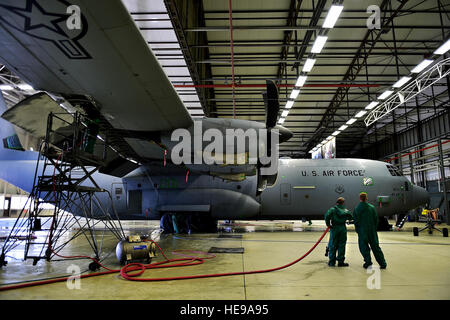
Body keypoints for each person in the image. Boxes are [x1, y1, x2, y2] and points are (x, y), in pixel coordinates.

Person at [353, 192, 387, 269]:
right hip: (372, 231)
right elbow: (376, 219)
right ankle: (382, 263)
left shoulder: (357, 208)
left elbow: (356, 221)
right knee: (375, 247)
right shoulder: (372, 208)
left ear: (360, 198)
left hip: (362, 231)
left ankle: (368, 262)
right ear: (366, 198)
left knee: (364, 247)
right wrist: (374, 228)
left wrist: (358, 230)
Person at [324, 197, 353, 267]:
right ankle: (340, 262)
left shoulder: (332, 210)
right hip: (342, 228)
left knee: (333, 245)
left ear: (337, 202)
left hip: (334, 228)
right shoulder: (346, 211)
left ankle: (332, 262)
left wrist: (328, 225)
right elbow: (351, 217)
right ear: (343, 203)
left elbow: (327, 216)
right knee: (342, 245)